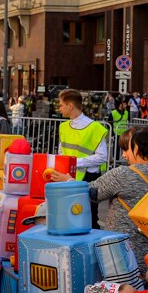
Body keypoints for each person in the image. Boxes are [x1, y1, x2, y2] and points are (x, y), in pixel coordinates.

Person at [50, 127, 148, 270]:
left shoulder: (123, 174)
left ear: (137, 148)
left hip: (122, 256)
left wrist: (68, 180)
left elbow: (91, 192)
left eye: (127, 149)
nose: (124, 155)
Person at [57, 88, 109, 225]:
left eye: (61, 105)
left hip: (88, 178)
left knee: (89, 217)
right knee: (69, 215)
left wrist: (75, 163)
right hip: (67, 175)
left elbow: (102, 157)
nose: (59, 108)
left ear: (70, 106)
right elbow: (61, 152)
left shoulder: (95, 128)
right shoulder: (63, 127)